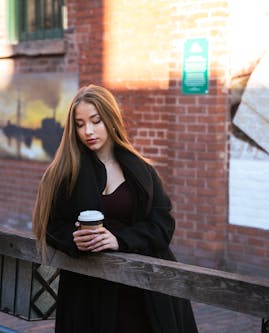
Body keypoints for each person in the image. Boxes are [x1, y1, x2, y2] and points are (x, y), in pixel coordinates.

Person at [32, 84, 198, 333]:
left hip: (143, 290)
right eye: (79, 124)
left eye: (95, 121)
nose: (88, 131)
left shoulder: (142, 170)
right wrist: (75, 239)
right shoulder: (63, 173)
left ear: (110, 119)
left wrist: (118, 240)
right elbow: (51, 225)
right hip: (88, 292)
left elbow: (163, 225)